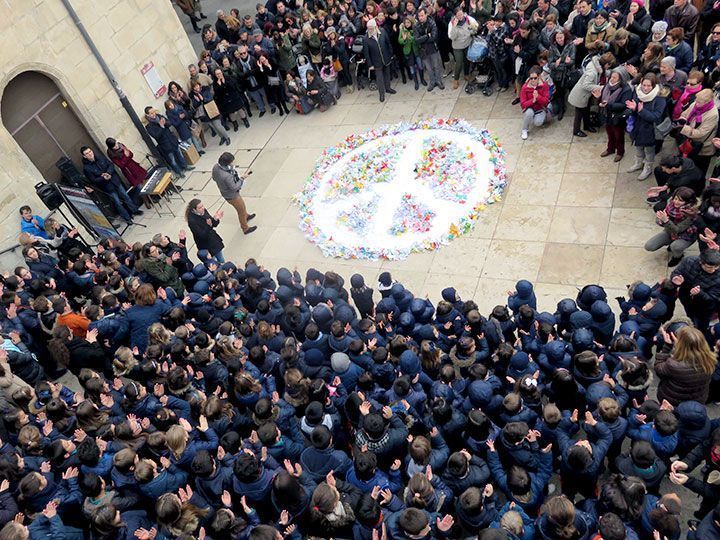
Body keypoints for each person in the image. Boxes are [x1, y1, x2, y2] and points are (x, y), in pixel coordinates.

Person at [655, 325, 717, 405]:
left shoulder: (674, 365)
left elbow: (659, 369)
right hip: (697, 400)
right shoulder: (711, 359)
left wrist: (667, 347)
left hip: (672, 400)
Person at [81, 146, 143, 224]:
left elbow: (110, 165)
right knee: (117, 203)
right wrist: (103, 178)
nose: (90, 154)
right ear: (84, 156)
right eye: (87, 153)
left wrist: (109, 173)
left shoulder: (100, 157)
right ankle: (127, 218)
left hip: (115, 181)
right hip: (107, 187)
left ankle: (134, 210)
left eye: (90, 151)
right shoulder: (87, 168)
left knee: (125, 196)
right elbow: (93, 180)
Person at [644, 186, 699, 266]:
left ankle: (677, 257)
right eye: (675, 198)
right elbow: (661, 218)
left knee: (676, 247)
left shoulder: (691, 212)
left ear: (688, 201)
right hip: (669, 231)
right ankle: (671, 242)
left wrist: (666, 221)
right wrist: (660, 220)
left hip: (686, 235)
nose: (676, 202)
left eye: (681, 200)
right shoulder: (671, 204)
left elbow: (678, 229)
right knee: (649, 246)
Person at [626, 73, 666, 180]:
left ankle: (648, 168)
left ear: (654, 86)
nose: (645, 88)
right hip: (637, 127)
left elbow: (656, 116)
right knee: (638, 146)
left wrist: (641, 111)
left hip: (650, 130)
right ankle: (639, 163)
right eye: (644, 85)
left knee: (649, 151)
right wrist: (633, 109)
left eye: (649, 86)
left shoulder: (660, 98)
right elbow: (634, 109)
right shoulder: (637, 92)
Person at [569, 52, 616, 138]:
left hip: (585, 96)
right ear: (606, 64)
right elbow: (586, 85)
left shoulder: (597, 66)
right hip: (580, 95)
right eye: (609, 65)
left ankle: (587, 126)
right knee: (578, 114)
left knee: (586, 111)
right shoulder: (592, 72)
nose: (609, 67)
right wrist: (600, 87)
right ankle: (576, 131)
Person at [211, 152, 257, 236]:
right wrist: (242, 178)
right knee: (241, 210)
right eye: (232, 162)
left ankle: (246, 216)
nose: (233, 163)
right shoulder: (226, 176)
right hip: (232, 196)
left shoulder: (215, 167)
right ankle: (245, 228)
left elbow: (214, 178)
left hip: (226, 193)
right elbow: (234, 187)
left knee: (242, 207)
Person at [677, 88, 719, 175]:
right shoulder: (696, 104)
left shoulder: (713, 114)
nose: (696, 103)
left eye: (699, 102)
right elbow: (685, 114)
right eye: (696, 100)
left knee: (699, 170)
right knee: (688, 166)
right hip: (689, 141)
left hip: (703, 148)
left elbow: (700, 133)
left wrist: (683, 128)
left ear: (707, 102)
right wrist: (682, 119)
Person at [143, 108, 195, 178]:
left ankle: (185, 166)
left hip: (172, 140)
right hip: (165, 145)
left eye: (154, 112)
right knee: (172, 160)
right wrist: (161, 126)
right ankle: (179, 172)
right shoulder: (149, 126)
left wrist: (165, 123)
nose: (154, 114)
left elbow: (170, 123)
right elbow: (156, 136)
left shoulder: (160, 116)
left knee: (180, 154)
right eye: (151, 113)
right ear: (147, 115)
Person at [598, 68, 632, 162]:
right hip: (607, 114)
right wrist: (599, 98)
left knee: (619, 135)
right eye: (611, 76)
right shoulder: (607, 85)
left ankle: (620, 152)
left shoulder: (626, 89)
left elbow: (624, 104)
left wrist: (608, 105)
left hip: (618, 116)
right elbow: (603, 97)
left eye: (614, 77)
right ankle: (610, 149)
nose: (611, 79)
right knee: (609, 133)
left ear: (621, 78)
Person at [189, 80, 232, 147]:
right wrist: (197, 101)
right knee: (214, 127)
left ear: (199, 85)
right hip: (204, 115)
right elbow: (195, 105)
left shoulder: (205, 90)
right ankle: (222, 137)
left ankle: (227, 137)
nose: (196, 88)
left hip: (212, 111)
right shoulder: (193, 96)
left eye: (197, 85)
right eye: (194, 87)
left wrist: (202, 99)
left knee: (218, 126)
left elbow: (210, 99)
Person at [364, 18, 396, 102]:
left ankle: (388, 88)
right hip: (376, 62)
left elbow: (388, 43)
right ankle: (381, 94)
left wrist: (391, 54)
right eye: (368, 28)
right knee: (379, 78)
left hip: (386, 58)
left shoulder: (382, 31)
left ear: (375, 27)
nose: (370, 30)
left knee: (387, 75)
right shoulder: (366, 39)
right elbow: (366, 54)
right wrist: (370, 65)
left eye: (371, 28)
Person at [414, 8, 445, 91]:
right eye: (419, 16)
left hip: (433, 48)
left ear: (426, 15)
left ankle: (439, 81)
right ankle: (432, 82)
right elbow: (417, 40)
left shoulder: (432, 23)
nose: (420, 17)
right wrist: (427, 36)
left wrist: (423, 39)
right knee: (429, 68)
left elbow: (434, 37)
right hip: (423, 50)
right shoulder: (416, 26)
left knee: (436, 66)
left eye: (422, 15)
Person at [448, 6, 478, 89]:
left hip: (467, 43)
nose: (460, 17)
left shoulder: (468, 19)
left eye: (461, 14)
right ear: (455, 16)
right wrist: (454, 27)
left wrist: (473, 29)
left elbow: (474, 29)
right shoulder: (452, 23)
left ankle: (466, 74)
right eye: (458, 15)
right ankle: (456, 79)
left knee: (467, 60)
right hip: (457, 46)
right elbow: (452, 37)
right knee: (459, 62)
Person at [519, 66, 550, 140]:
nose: (533, 80)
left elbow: (546, 101)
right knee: (529, 113)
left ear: (539, 76)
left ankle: (545, 117)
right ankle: (524, 129)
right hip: (530, 108)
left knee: (538, 122)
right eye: (531, 78)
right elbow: (523, 104)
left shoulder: (544, 85)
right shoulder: (525, 87)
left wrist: (538, 97)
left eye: (535, 78)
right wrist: (532, 101)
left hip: (540, 108)